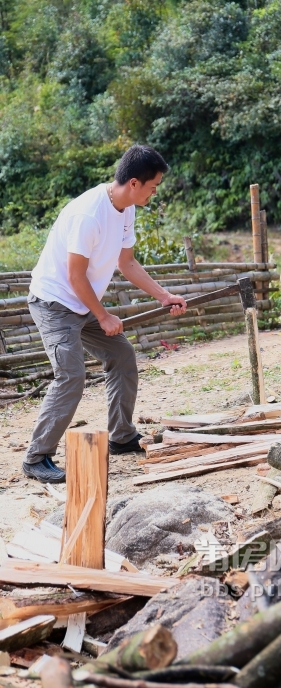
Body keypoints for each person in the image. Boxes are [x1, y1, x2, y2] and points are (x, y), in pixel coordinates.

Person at [22, 145, 187, 484]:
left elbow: (126, 263)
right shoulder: (89, 214)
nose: (155, 192)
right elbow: (75, 276)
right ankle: (36, 457)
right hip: (53, 302)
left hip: (82, 302)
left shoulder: (126, 209)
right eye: (153, 186)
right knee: (70, 376)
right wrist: (104, 316)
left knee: (123, 356)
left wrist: (163, 296)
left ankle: (121, 436)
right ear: (134, 183)